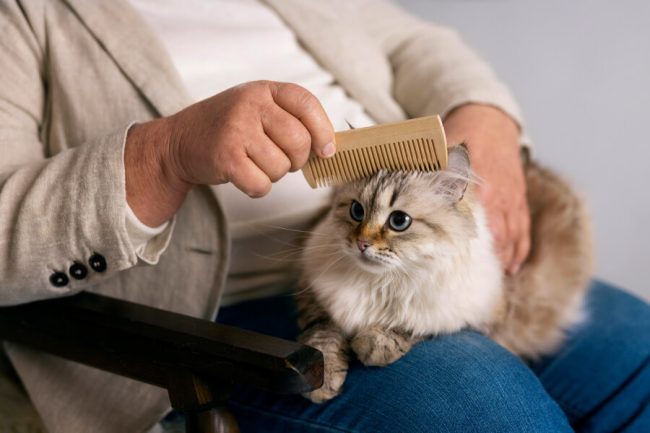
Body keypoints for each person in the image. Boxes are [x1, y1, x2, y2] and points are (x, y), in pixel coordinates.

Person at [0, 1, 647, 432]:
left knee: (640, 349)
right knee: (487, 410)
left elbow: (413, 42)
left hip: (423, 248)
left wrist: (485, 114)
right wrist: (163, 155)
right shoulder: (25, 16)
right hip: (222, 315)